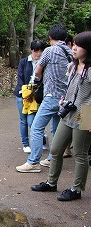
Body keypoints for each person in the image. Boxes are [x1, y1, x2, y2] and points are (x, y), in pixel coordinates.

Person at [30, 31, 91, 201]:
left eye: (79, 45)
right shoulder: (73, 66)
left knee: (80, 153)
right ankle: (51, 183)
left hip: (86, 114)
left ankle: (76, 189)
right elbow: (69, 87)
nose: (74, 48)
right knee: (56, 149)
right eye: (75, 44)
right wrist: (64, 99)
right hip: (69, 112)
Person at [16, 24, 73, 173]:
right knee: (55, 129)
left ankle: (33, 162)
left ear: (50, 38)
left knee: (36, 127)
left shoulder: (49, 50)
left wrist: (40, 80)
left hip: (51, 96)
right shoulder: (70, 52)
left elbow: (37, 71)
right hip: (65, 99)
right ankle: (51, 159)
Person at [15, 40, 45, 153]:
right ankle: (25, 143)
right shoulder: (24, 62)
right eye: (36, 51)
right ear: (32, 50)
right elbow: (20, 77)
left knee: (33, 121)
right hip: (22, 95)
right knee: (23, 120)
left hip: (36, 95)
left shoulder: (43, 63)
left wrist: (32, 93)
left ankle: (40, 139)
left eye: (40, 51)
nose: (38, 53)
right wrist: (25, 93)